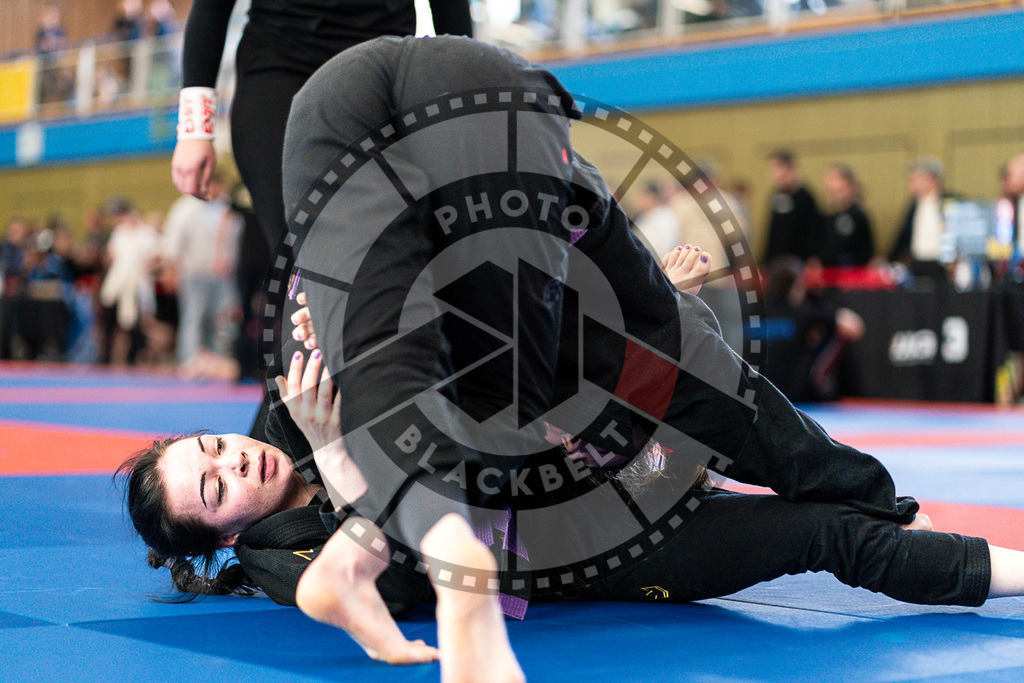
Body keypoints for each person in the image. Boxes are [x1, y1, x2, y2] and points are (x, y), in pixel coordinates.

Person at [121, 243, 1019, 675]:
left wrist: (348, 317)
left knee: (713, 383)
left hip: (572, 436)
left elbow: (453, 349)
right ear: (223, 534)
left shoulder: (287, 399)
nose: (237, 463)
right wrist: (331, 444)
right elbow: (406, 577)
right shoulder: (283, 561)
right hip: (590, 546)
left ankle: (895, 513)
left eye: (215, 448)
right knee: (823, 537)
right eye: (218, 487)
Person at [170, 0, 472, 446]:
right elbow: (212, 9)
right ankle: (281, 449)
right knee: (305, 266)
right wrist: (194, 129)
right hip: (278, 71)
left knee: (383, 258)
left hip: (377, 72)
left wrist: (462, 111)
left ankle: (391, 433)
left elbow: (452, 10)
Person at [888, 155, 955, 278]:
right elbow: (902, 237)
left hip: (943, 266)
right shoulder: (913, 206)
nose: (911, 184)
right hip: (917, 265)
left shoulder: (950, 202)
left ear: (931, 179)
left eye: (915, 179)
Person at [762, 149, 823, 264]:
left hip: (799, 262)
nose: (773, 174)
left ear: (788, 168)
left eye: (776, 168)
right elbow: (772, 233)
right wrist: (764, 261)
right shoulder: (776, 196)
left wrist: (812, 258)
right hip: (776, 262)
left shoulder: (806, 198)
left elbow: (813, 234)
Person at [813, 164, 875, 267]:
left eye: (840, 190)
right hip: (829, 273)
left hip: (854, 273)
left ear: (850, 186)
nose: (835, 194)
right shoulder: (828, 217)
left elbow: (866, 251)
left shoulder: (858, 216)